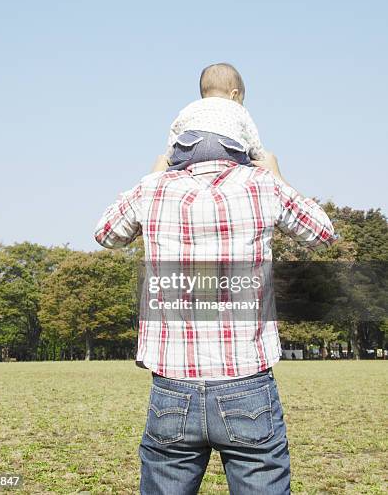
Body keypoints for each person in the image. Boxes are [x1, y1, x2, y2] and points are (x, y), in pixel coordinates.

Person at [95, 140, 335, 493]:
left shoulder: (153, 188)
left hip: (172, 387)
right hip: (247, 381)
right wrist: (278, 175)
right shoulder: (262, 184)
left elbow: (105, 232)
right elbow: (323, 233)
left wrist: (154, 173)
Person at [156, 62, 266, 172]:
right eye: (242, 101)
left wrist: (169, 158)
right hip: (226, 150)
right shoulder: (238, 109)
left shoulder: (191, 107)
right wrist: (261, 158)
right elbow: (252, 139)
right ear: (234, 94)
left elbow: (175, 131)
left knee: (175, 169)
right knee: (248, 166)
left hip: (190, 150)